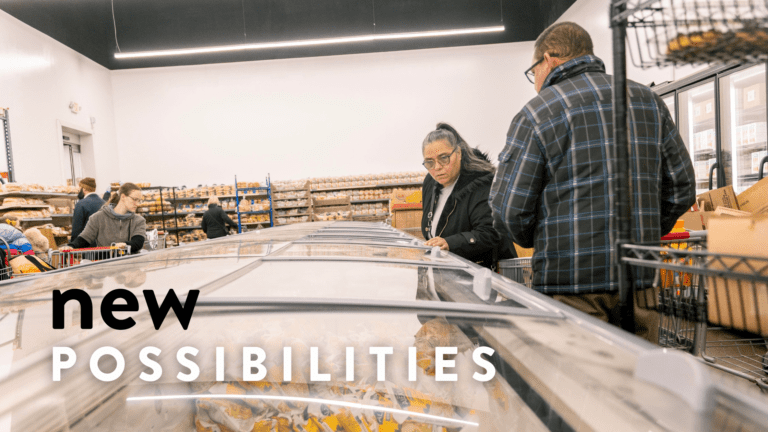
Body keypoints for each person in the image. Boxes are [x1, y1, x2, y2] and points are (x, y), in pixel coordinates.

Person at [489, 22, 696, 337]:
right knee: (640, 381)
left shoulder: (538, 113)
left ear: (549, 58)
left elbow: (509, 209)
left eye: (534, 72)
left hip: (569, 287)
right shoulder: (647, 101)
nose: (535, 84)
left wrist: (539, 239)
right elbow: (681, 187)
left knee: (580, 383)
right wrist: (645, 233)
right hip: (640, 282)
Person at [421, 123, 514, 270]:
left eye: (444, 158)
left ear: (458, 153)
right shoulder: (430, 182)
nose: (437, 167)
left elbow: (490, 233)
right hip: (451, 274)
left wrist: (449, 243)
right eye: (429, 162)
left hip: (487, 275)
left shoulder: (481, 183)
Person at [62, 182, 146, 254]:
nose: (137, 204)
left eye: (139, 200)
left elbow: (138, 241)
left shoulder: (139, 220)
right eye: (135, 199)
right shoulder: (98, 217)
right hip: (105, 265)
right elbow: (85, 238)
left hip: (130, 267)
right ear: (123, 197)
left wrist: (125, 245)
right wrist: (71, 246)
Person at [72, 177, 105, 246]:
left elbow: (77, 229)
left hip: (87, 246)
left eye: (79, 188)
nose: (78, 190)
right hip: (104, 246)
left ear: (84, 189)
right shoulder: (105, 203)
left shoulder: (81, 204)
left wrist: (73, 246)